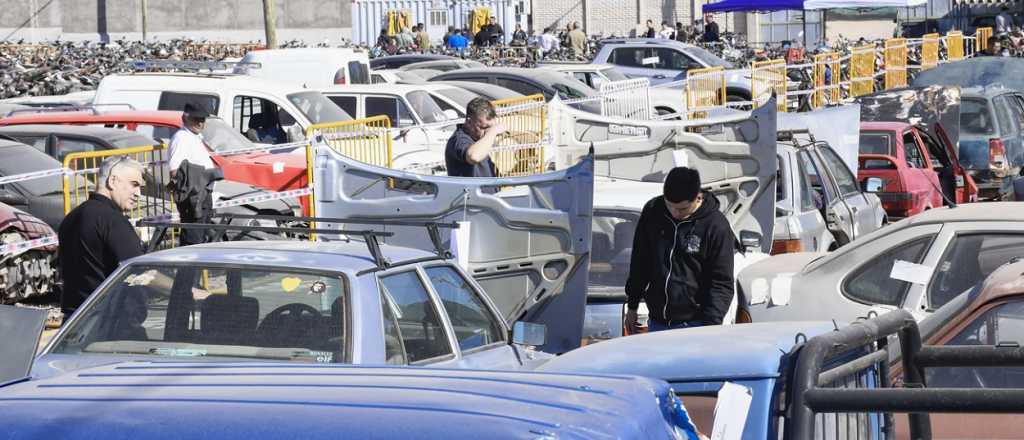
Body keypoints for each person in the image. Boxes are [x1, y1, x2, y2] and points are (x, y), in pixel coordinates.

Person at [624, 167, 736, 332]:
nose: (675, 213)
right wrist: (632, 305)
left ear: (698, 197)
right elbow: (640, 261)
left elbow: (722, 282)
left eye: (683, 209)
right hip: (657, 321)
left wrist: (710, 326)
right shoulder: (654, 211)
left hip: (695, 324)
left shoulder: (716, 226)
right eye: (671, 206)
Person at [58, 156, 145, 316]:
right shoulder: (113, 221)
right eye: (134, 184)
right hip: (112, 324)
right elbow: (141, 270)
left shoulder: (71, 218)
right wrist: (180, 288)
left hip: (75, 321)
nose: (138, 193)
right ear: (112, 181)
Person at [445, 97, 507, 178]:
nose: (487, 132)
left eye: (491, 127)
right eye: (484, 127)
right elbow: (474, 157)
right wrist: (493, 131)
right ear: (469, 122)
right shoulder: (458, 140)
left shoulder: (479, 139)